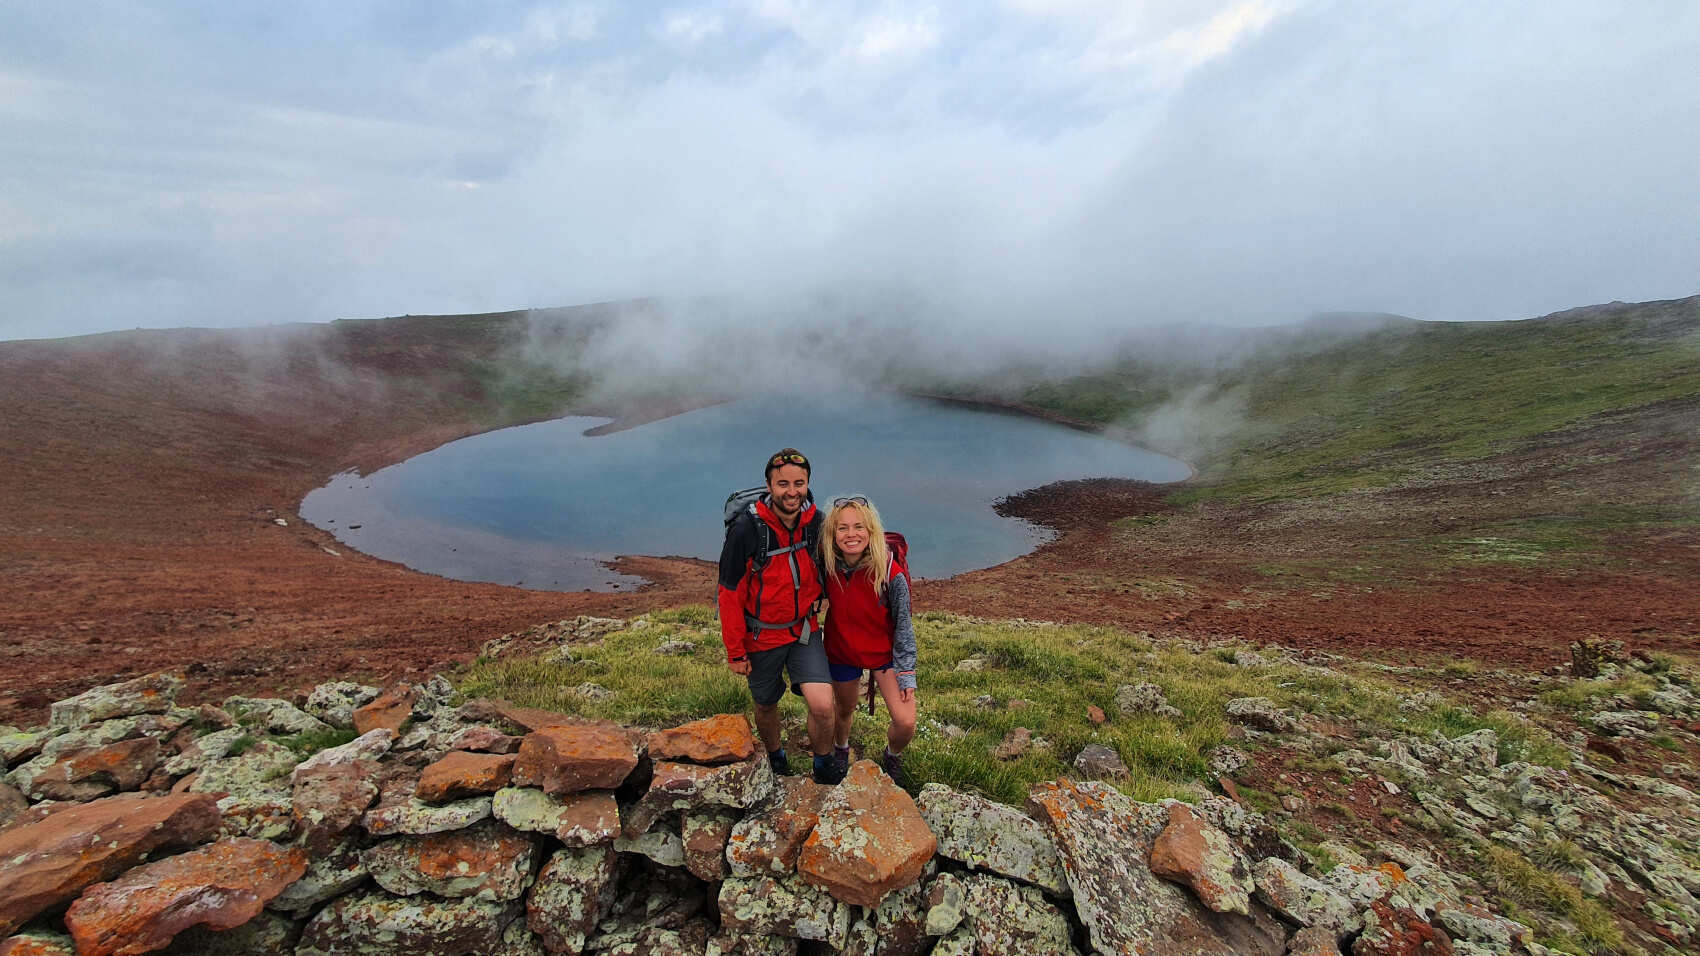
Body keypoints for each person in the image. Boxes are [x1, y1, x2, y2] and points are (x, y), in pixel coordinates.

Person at [718, 448, 842, 784]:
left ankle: (823, 766)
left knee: (822, 705)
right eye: (783, 483)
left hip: (803, 631)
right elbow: (729, 594)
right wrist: (735, 652)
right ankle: (776, 757)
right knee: (766, 704)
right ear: (769, 485)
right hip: (761, 636)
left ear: (807, 484)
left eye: (799, 483)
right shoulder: (747, 530)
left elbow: (835, 563)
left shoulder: (816, 523)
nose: (792, 491)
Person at [819, 495, 917, 784]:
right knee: (844, 709)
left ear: (871, 530)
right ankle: (841, 749)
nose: (851, 534)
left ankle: (892, 755)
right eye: (843, 528)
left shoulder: (889, 571)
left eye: (858, 527)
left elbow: (904, 624)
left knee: (905, 722)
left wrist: (907, 672)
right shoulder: (827, 565)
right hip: (842, 651)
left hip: (884, 655)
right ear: (833, 534)